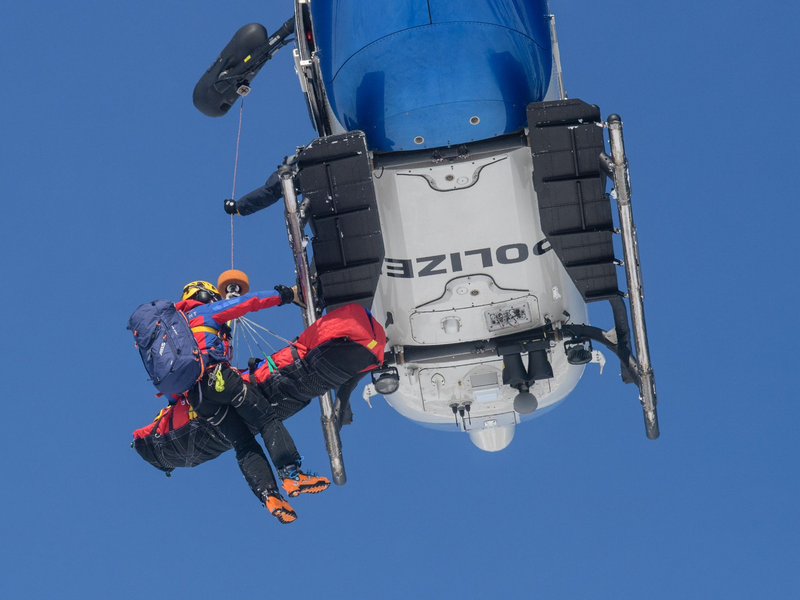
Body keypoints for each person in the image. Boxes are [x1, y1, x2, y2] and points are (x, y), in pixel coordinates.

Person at [177, 280, 330, 524]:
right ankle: (292, 474)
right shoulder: (203, 312)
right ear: (205, 296)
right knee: (266, 418)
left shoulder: (178, 329)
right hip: (218, 379)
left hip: (198, 398)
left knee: (242, 443)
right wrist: (285, 295)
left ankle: (269, 496)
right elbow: (248, 302)